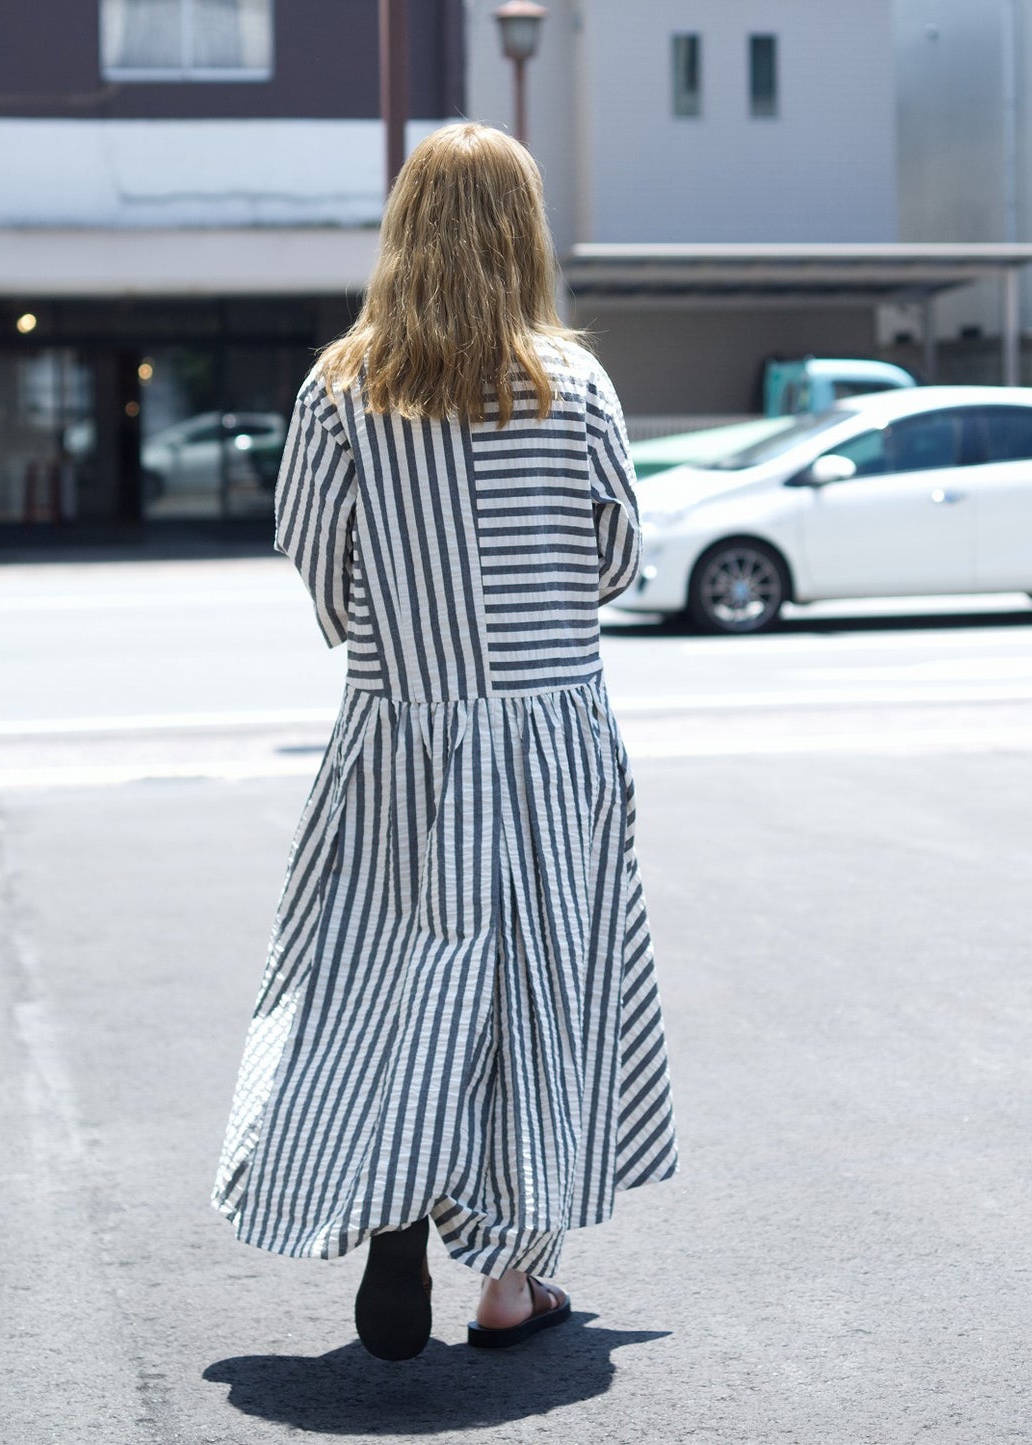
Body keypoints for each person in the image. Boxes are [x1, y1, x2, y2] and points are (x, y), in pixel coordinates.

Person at [211, 121, 677, 1361]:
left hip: (400, 737)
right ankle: (512, 1281)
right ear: (522, 234)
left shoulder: (340, 386)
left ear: (402, 229)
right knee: (541, 994)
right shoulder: (570, 382)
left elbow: (315, 558)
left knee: (374, 980)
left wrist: (402, 640)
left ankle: (391, 1210)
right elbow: (620, 555)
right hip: (548, 742)